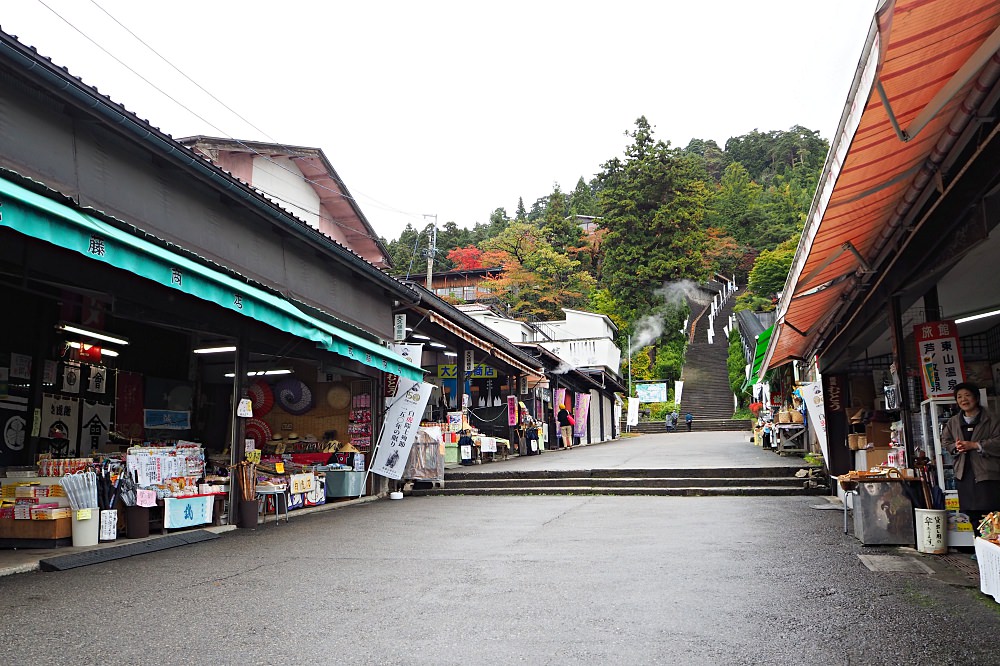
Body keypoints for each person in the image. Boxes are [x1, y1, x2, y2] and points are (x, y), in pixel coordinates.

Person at [940, 382, 1000, 535]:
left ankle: (992, 547)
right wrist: (956, 447)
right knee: (972, 512)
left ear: (976, 398)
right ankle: (980, 546)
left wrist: (975, 445)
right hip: (964, 473)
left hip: (987, 473)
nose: (963, 400)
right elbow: (946, 442)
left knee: (990, 512)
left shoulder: (992, 418)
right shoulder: (953, 421)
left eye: (967, 395)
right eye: (959, 397)